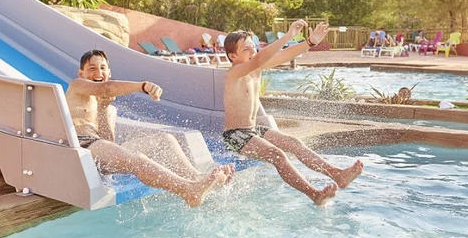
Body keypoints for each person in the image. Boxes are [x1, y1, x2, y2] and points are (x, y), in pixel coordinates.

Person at [65, 49, 233, 207]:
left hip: (98, 151)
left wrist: (103, 109)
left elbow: (108, 143)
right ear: (81, 73)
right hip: (80, 146)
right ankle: (188, 190)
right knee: (137, 158)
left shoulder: (110, 109)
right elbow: (105, 88)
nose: (98, 73)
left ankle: (197, 178)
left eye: (103, 68)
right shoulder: (77, 86)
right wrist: (142, 86)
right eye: (92, 68)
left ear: (109, 73)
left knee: (165, 140)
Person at [222, 20, 364, 205]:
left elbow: (283, 55)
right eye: (246, 49)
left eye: (253, 47)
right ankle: (314, 194)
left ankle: (338, 175)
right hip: (235, 135)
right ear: (232, 56)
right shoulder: (234, 73)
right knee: (277, 154)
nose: (253, 51)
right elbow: (260, 58)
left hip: (252, 130)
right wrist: (288, 36)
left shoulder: (256, 68)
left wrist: (310, 42)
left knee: (294, 143)